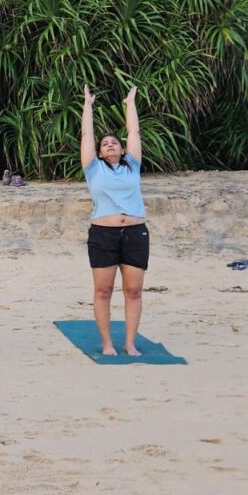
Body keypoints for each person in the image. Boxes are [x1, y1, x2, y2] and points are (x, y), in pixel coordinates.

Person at [81, 84, 147, 356]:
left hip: (135, 233)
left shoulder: (133, 165)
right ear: (98, 152)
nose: (110, 145)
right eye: (105, 144)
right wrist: (88, 106)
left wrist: (129, 104)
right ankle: (108, 344)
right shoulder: (93, 169)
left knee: (133, 291)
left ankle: (129, 343)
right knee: (103, 291)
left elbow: (134, 132)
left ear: (121, 150)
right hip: (103, 235)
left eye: (114, 143)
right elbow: (87, 134)